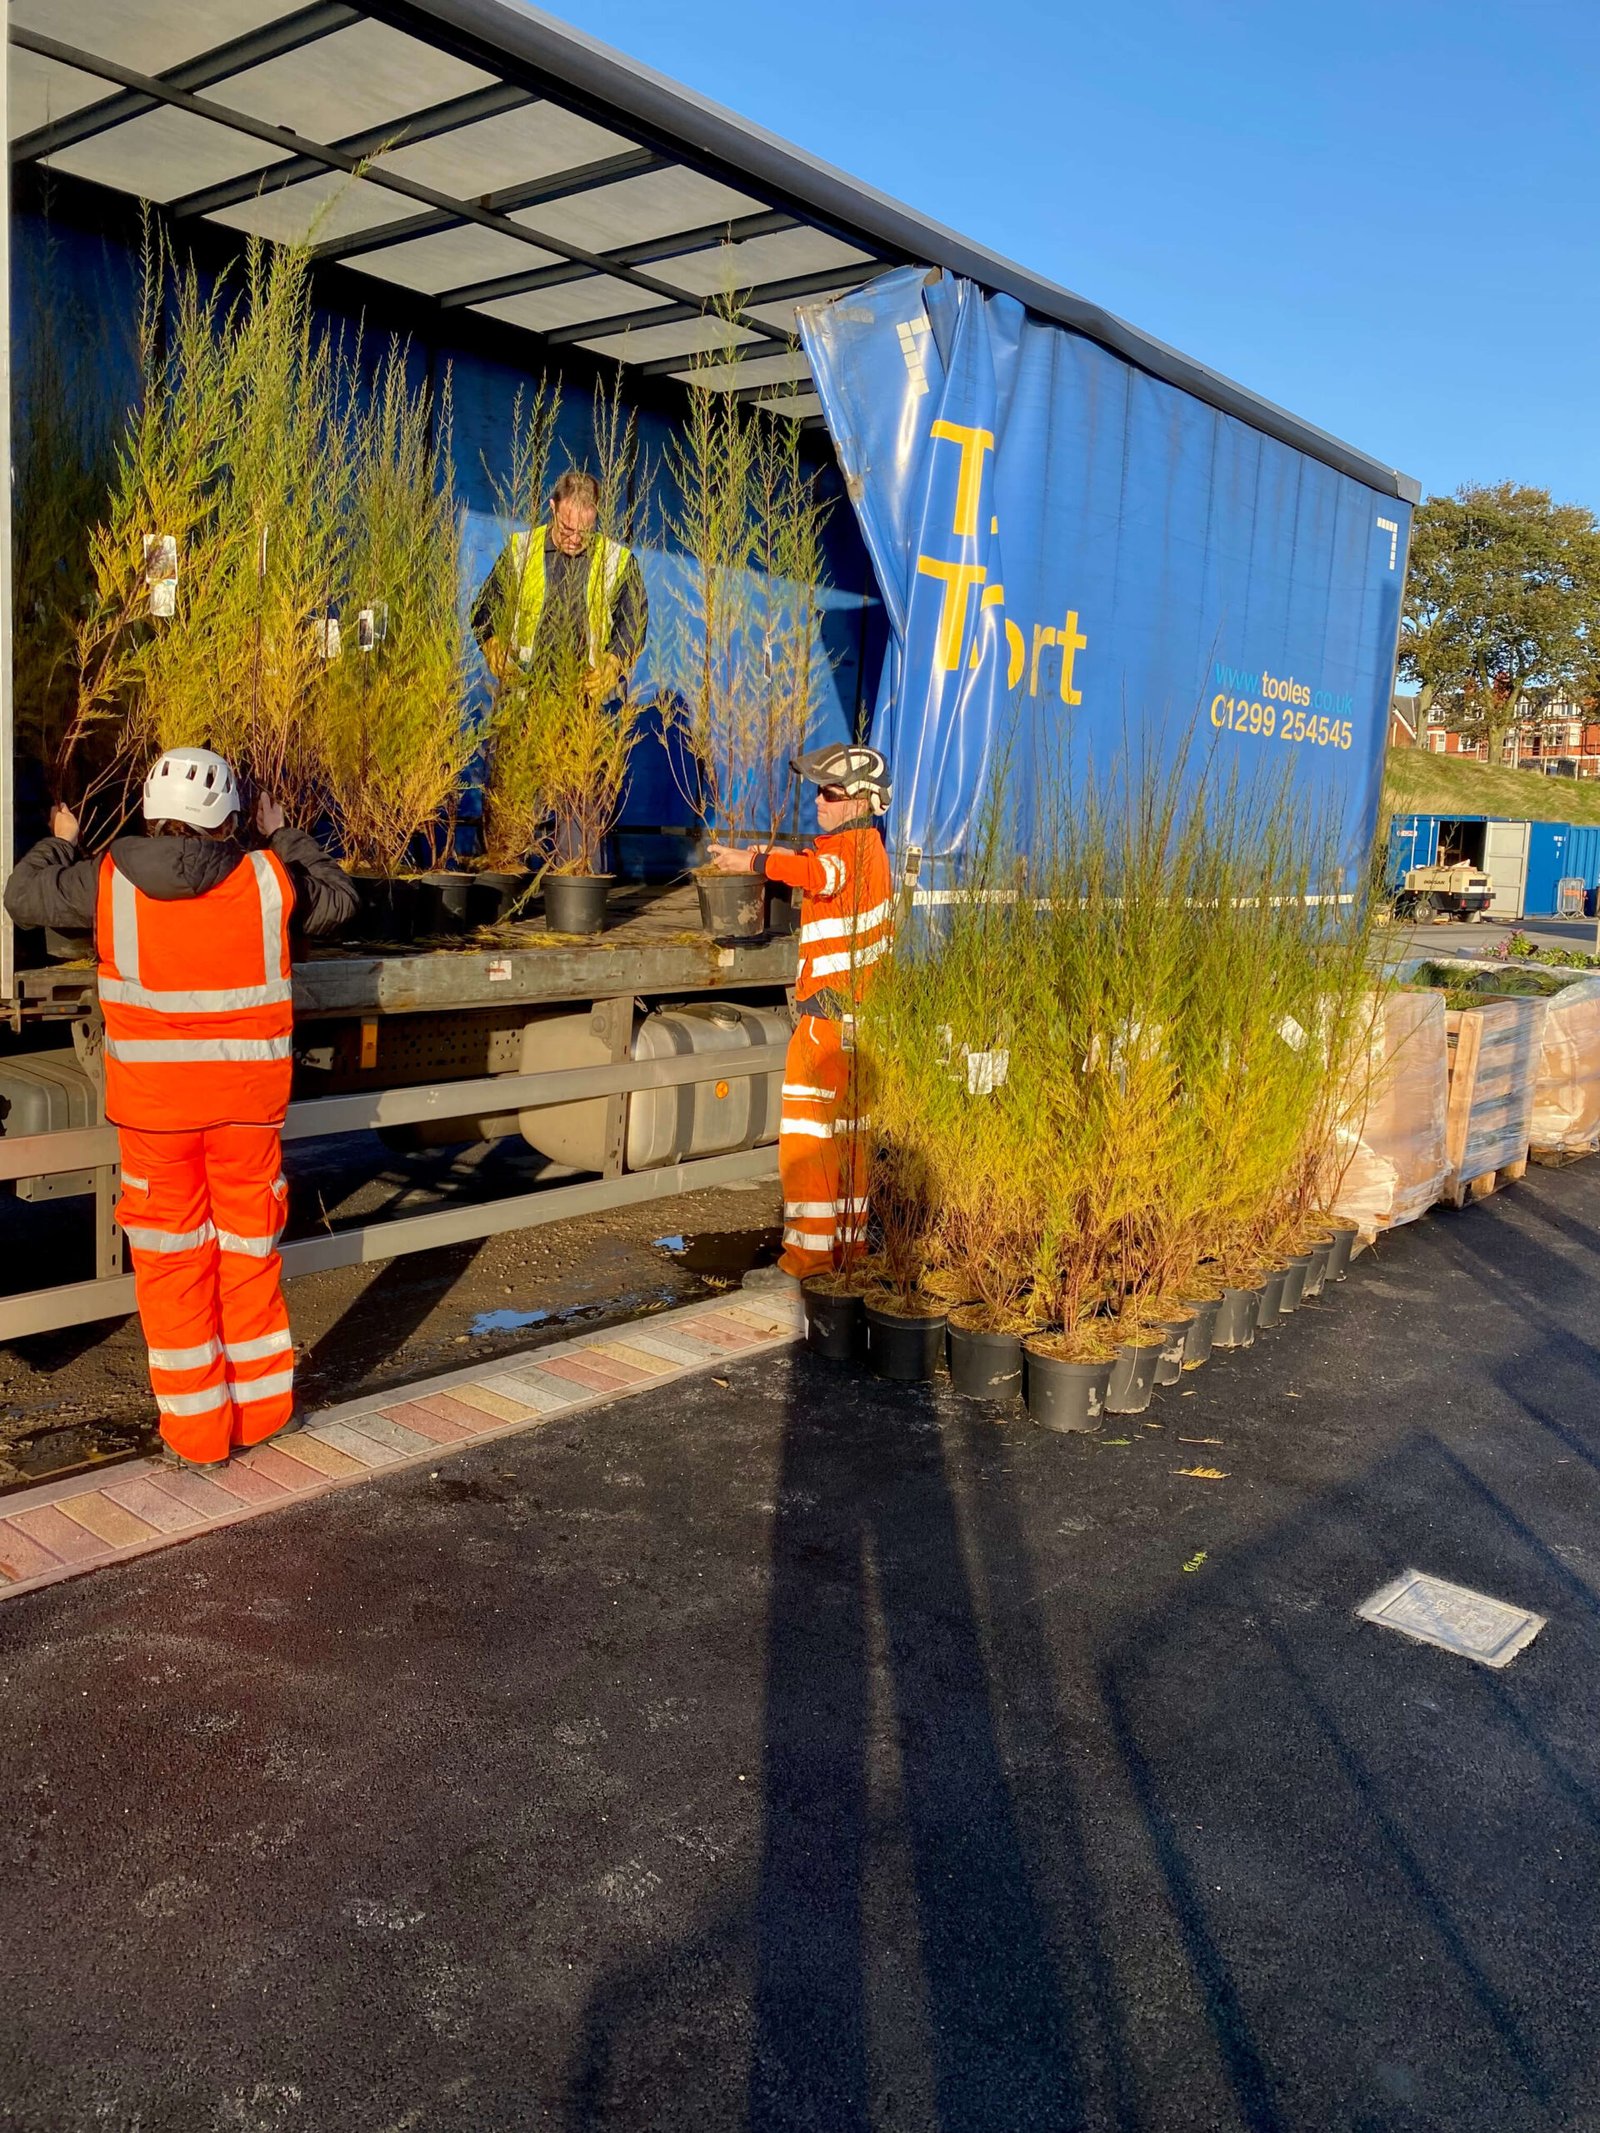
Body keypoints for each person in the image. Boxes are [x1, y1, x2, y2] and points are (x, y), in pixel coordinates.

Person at [3, 748, 360, 1468]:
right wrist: (283, 833)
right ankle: (262, 1413)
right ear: (230, 816)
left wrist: (64, 837)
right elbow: (342, 899)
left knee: (172, 1269)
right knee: (248, 1253)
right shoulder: (268, 880)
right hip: (247, 1113)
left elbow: (23, 895)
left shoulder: (105, 884)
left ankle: (197, 1437)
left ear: (151, 813)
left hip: (156, 1118)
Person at [708, 745, 893, 1278]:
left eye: (830, 792)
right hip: (859, 1025)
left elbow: (818, 874)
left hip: (826, 1025)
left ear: (859, 800)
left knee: (808, 1144)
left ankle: (807, 1261)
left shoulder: (848, 854)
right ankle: (846, 1253)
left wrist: (751, 861)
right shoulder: (869, 853)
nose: (819, 800)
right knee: (851, 1139)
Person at [471, 466, 647, 703]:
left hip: (585, 707)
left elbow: (633, 623)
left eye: (585, 531)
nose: (575, 540)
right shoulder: (521, 550)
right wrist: (491, 643)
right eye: (566, 528)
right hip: (522, 700)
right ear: (552, 508)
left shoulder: (617, 561)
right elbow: (484, 610)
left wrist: (615, 661)